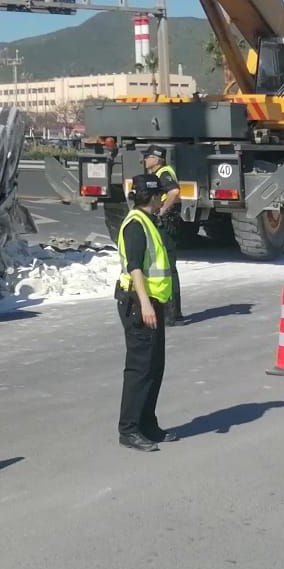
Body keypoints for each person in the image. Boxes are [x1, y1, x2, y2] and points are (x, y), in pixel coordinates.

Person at [115, 181, 171, 451]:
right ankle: (129, 429)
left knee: (154, 366)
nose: (164, 200)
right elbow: (135, 267)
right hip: (139, 304)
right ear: (155, 197)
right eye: (161, 195)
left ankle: (148, 424)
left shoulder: (148, 220)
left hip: (151, 303)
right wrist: (146, 304)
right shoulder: (136, 224)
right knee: (139, 369)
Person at [141, 148, 185, 324]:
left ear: (157, 159)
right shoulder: (159, 173)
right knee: (166, 265)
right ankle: (170, 312)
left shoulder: (164, 173)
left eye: (148, 157)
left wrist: (163, 210)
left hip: (168, 223)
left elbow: (174, 191)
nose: (144, 159)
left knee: (168, 267)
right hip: (167, 222)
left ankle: (173, 313)